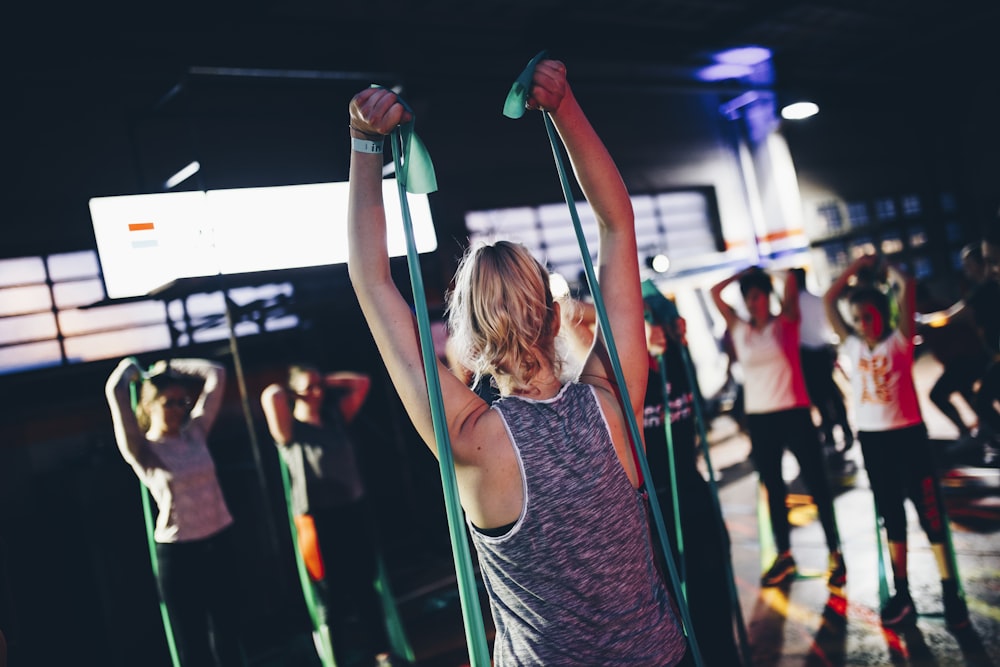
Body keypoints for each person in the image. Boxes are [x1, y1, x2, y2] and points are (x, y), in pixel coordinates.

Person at [346, 59, 688, 665]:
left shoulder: (472, 438)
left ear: (467, 342)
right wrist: (563, 106)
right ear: (558, 318)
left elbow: (373, 283)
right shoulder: (614, 401)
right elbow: (616, 223)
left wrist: (364, 146)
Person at [823, 254, 970, 630]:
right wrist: (855, 268)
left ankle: (950, 590)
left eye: (868, 316)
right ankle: (902, 592)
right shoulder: (853, 346)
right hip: (874, 442)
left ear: (882, 315)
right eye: (857, 319)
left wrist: (882, 263)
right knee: (892, 518)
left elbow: (906, 285)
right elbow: (829, 300)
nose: (862, 324)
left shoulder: (900, 340)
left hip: (909, 438)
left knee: (930, 512)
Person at [710, 266, 845, 588]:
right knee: (774, 490)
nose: (753, 302)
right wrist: (743, 272)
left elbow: (791, 281)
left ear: (768, 296)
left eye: (758, 295)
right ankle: (784, 555)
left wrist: (767, 271)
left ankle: (835, 553)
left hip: (794, 413)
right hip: (761, 419)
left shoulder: (786, 323)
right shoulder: (740, 329)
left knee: (818, 485)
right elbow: (716, 291)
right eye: (748, 297)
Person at [105, 357, 243, 667]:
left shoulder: (194, 432)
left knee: (228, 635)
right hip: (181, 553)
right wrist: (131, 371)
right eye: (170, 403)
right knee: (193, 646)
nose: (179, 409)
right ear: (150, 405)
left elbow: (216, 373)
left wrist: (172, 366)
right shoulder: (143, 449)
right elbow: (114, 389)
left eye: (183, 402)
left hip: (219, 540)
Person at [260, 365, 390, 667]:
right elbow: (271, 395)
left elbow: (362, 382)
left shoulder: (335, 418)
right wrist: (296, 387)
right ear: (294, 392)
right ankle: (337, 660)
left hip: (352, 512)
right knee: (330, 597)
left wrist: (324, 382)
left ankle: (382, 653)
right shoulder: (289, 430)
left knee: (364, 587)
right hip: (317, 520)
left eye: (320, 387)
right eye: (309, 387)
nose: (317, 393)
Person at [641, 290, 744, 667]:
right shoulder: (626, 377)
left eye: (660, 320)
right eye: (645, 322)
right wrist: (635, 324)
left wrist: (669, 328)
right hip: (655, 505)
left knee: (714, 582)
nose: (657, 331)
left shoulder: (680, 361)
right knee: (673, 600)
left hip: (692, 488)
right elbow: (575, 317)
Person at [789, 267, 855, 456]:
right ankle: (846, 430)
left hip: (807, 354)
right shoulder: (816, 300)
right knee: (832, 392)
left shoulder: (794, 305)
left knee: (818, 395)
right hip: (824, 349)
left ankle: (829, 434)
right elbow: (827, 326)